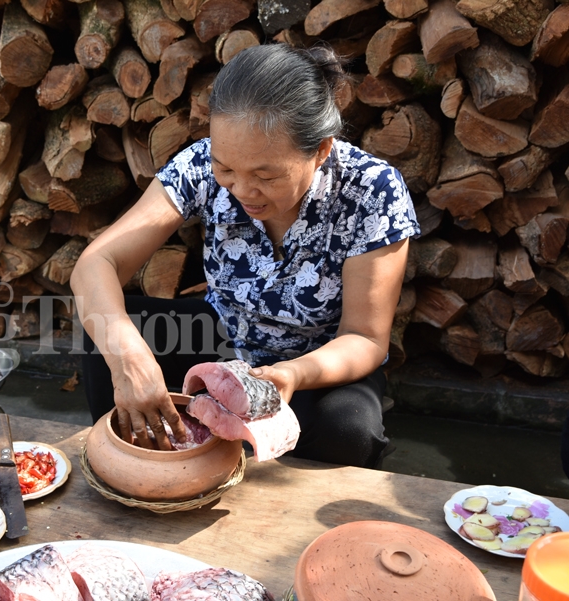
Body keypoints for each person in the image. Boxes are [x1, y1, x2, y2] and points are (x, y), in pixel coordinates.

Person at [69, 43, 420, 469]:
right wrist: (129, 358)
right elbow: (96, 264)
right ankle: (134, 463)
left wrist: (292, 374)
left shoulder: (372, 191)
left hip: (316, 362)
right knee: (106, 329)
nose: (241, 190)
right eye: (226, 169)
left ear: (321, 150)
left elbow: (364, 338)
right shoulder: (199, 166)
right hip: (223, 335)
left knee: (348, 431)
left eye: (265, 176)